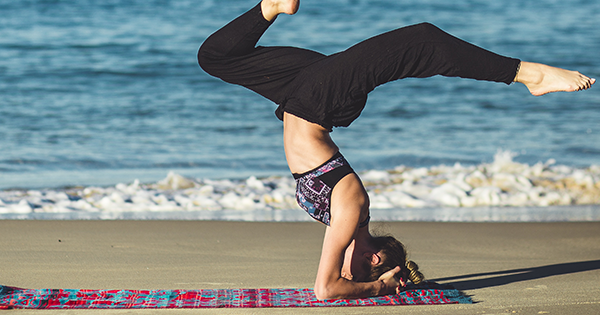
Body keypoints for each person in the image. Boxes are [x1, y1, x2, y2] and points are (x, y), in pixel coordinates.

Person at [197, 0, 595, 300]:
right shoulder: (352, 208)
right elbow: (328, 288)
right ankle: (530, 74)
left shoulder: (344, 223)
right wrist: (380, 286)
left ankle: (272, 6)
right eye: (360, 273)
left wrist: (383, 283)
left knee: (216, 57)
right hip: (320, 102)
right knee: (422, 38)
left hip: (300, 96)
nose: (346, 273)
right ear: (373, 259)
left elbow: (327, 287)